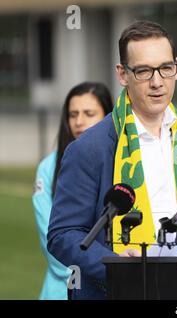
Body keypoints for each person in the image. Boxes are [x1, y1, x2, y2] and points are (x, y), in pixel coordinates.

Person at [47, 20, 177, 299]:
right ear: (122, 74)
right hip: (119, 290)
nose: (157, 82)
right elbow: (63, 234)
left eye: (166, 68)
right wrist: (118, 265)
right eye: (143, 71)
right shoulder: (89, 148)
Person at [32, 82, 113, 300]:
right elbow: (53, 239)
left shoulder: (121, 162)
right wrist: (110, 271)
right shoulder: (48, 168)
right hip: (62, 288)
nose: (79, 121)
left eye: (89, 113)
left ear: (107, 116)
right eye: (73, 114)